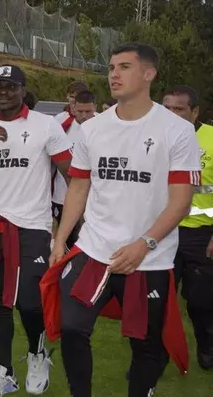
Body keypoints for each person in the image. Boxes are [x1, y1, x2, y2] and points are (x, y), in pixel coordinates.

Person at [42, 43, 200, 397]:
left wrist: (145, 243)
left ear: (149, 74)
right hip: (94, 249)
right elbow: (79, 186)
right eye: (112, 67)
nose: (114, 74)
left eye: (125, 67)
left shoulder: (176, 130)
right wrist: (60, 239)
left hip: (148, 258)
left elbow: (181, 202)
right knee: (72, 327)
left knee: (146, 344)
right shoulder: (93, 128)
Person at [0, 64, 73, 396]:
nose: (4, 92)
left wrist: (72, 223)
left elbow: (71, 174)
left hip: (33, 226)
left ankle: (37, 353)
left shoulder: (44, 125)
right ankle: (4, 371)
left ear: (23, 89)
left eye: (10, 86)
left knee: (29, 301)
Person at [162, 84, 213, 370]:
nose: (172, 114)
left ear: (195, 112)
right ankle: (153, 357)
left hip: (201, 235)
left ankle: (207, 347)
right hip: (162, 232)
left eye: (179, 109)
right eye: (167, 108)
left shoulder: (211, 139)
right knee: (156, 299)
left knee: (199, 301)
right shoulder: (153, 139)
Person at [50, 90, 98, 249]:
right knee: (67, 240)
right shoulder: (61, 126)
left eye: (88, 111)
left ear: (95, 107)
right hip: (62, 195)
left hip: (93, 197)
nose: (84, 116)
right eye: (80, 111)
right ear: (73, 108)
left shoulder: (103, 127)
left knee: (87, 240)